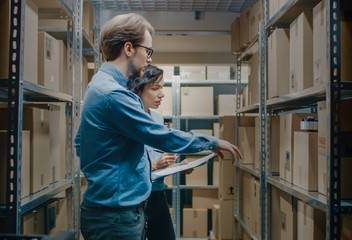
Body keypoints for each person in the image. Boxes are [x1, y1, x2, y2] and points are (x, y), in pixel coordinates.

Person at [74, 13, 242, 240]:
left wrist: (124, 170)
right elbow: (159, 136)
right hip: (115, 218)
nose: (149, 59)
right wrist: (212, 141)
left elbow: (80, 144)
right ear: (129, 48)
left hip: (112, 213)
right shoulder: (113, 94)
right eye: (148, 51)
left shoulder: (100, 85)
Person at [127, 64, 193, 240]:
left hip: (158, 195)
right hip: (137, 197)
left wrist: (177, 166)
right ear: (138, 89)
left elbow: (158, 158)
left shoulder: (157, 118)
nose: (162, 94)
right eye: (155, 88)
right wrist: (155, 165)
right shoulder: (128, 119)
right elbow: (124, 166)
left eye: (161, 88)